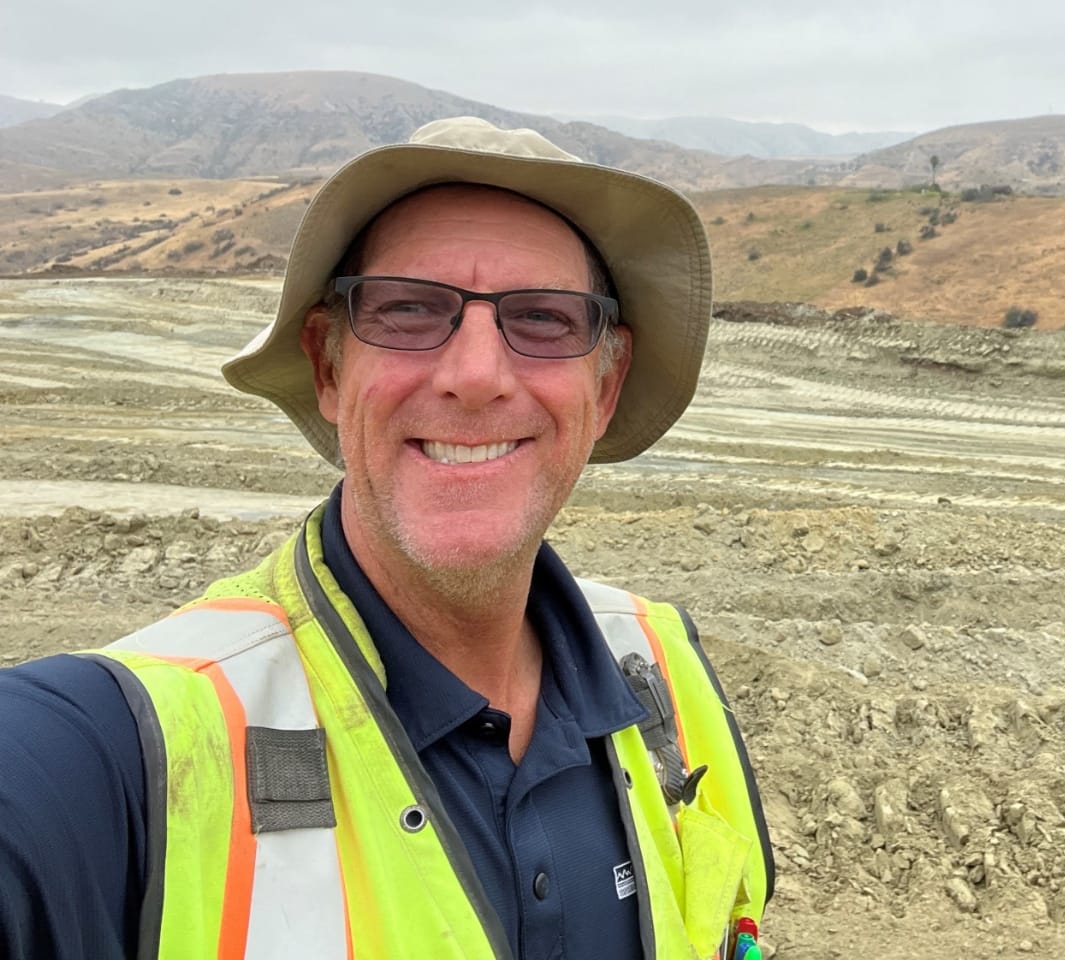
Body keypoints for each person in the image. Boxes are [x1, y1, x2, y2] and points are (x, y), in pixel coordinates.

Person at [0, 117, 773, 959]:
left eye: (545, 320)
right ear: (329, 367)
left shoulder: (667, 674)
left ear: (608, 382)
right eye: (409, 310)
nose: (475, 377)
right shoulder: (123, 749)